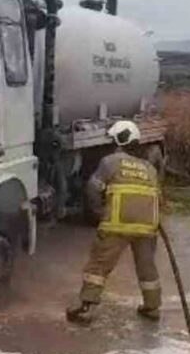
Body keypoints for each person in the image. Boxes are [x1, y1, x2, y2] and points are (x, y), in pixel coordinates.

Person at [66, 120, 163, 325]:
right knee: (147, 267)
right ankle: (152, 307)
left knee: (99, 265)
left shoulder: (110, 161)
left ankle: (86, 308)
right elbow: (157, 198)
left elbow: (93, 188)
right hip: (147, 226)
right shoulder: (149, 168)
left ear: (119, 139)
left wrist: (99, 212)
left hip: (117, 224)